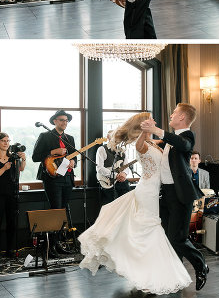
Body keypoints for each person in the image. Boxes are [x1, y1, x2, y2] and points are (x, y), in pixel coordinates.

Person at [78, 112, 192, 295]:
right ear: (143, 125)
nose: (155, 120)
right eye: (151, 119)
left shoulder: (152, 143)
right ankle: (145, 275)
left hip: (152, 191)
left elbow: (170, 145)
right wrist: (145, 131)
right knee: (148, 230)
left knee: (148, 230)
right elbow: (141, 144)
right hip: (147, 192)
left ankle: (147, 273)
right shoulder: (141, 143)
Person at [141, 103, 210, 291]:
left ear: (182, 117)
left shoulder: (187, 136)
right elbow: (153, 144)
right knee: (168, 239)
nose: (171, 115)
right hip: (166, 194)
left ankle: (201, 265)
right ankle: (175, 276)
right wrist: (144, 132)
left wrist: (156, 130)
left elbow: (183, 145)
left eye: (174, 113)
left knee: (177, 238)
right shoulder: (170, 140)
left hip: (181, 195)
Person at [31, 110, 77, 255]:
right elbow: (35, 157)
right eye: (62, 120)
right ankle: (50, 246)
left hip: (67, 177)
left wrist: (73, 162)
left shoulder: (70, 138)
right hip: (52, 178)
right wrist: (52, 152)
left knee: (63, 211)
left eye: (66, 120)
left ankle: (59, 243)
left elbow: (74, 157)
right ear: (55, 121)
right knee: (55, 210)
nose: (65, 122)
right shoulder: (45, 136)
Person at [0, 132, 25, 258]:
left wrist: (23, 159)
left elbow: (21, 169)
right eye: (3, 140)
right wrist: (4, 168)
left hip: (12, 193)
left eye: (8, 141)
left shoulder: (13, 158)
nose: (6, 143)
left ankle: (10, 250)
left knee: (11, 222)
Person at [95, 130, 131, 206]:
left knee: (126, 202)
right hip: (107, 182)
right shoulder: (102, 149)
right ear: (108, 138)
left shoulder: (122, 150)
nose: (117, 139)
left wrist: (124, 173)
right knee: (112, 205)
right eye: (115, 136)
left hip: (121, 181)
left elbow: (126, 166)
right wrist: (116, 175)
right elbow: (99, 168)